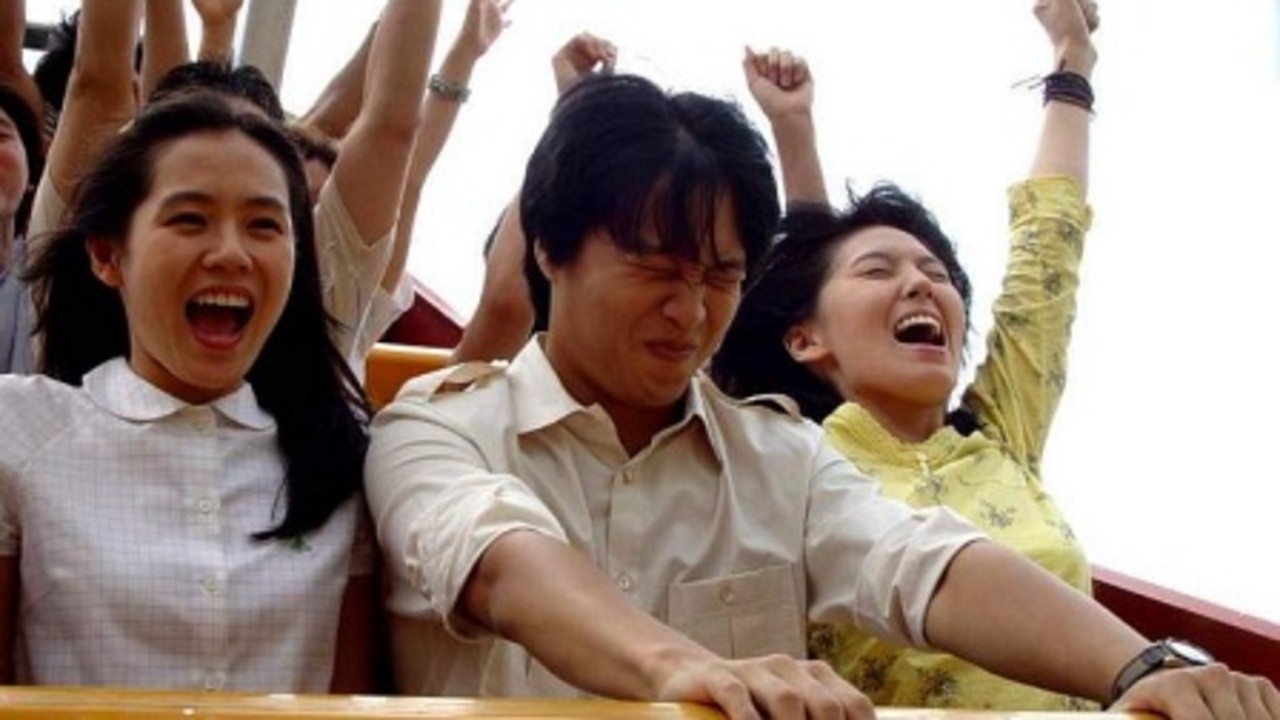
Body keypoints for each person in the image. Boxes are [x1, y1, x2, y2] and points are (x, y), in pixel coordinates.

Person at [365, 71, 1279, 720]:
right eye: (657, 267)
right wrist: (682, 671)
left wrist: (1143, 665)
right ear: (550, 249)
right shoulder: (434, 429)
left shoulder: (783, 459)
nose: (691, 310)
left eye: (721, 275)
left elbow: (922, 563)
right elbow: (501, 561)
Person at [713, 0, 1104, 709]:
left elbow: (1048, 249)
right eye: (879, 271)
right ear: (803, 340)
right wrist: (795, 136)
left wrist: (1071, 65)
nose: (922, 284)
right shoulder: (784, 463)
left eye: (936, 273)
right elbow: (793, 288)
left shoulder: (1000, 438)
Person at [0, 92, 376, 692]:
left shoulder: (338, 451)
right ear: (107, 254)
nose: (231, 254)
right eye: (190, 220)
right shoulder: (21, 429)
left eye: (263, 225)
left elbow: (348, 696)